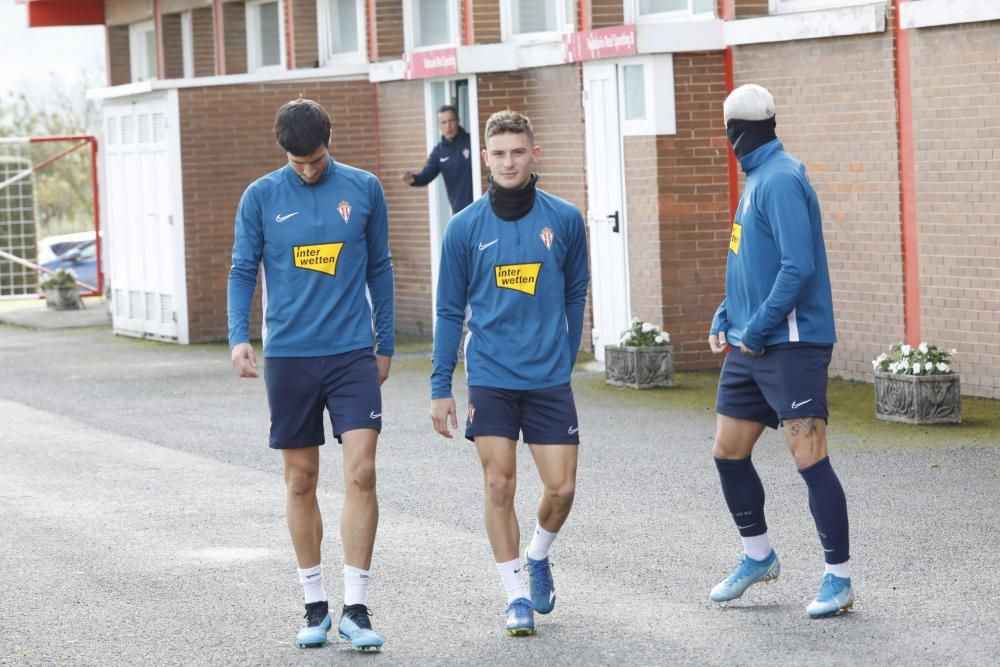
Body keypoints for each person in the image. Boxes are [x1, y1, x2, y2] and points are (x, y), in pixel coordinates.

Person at [227, 98, 394, 651]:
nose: (308, 170)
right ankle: (315, 605)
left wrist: (385, 341)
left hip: (351, 353)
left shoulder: (364, 188)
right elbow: (243, 269)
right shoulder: (260, 197)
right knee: (300, 480)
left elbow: (379, 267)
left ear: (330, 142)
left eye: (316, 160)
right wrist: (237, 337)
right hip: (291, 357)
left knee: (363, 473)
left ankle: (358, 607)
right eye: (297, 163)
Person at [430, 110, 590, 636]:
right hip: (491, 376)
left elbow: (574, 293)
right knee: (499, 483)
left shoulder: (564, 219)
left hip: (547, 379)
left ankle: (539, 554)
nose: (508, 162)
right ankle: (516, 595)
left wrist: (563, 357)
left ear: (533, 154)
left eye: (517, 152)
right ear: (485, 160)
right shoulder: (464, 228)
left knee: (561, 489)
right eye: (498, 154)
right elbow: (450, 311)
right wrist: (440, 387)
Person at [707, 84, 852, 618]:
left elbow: (798, 268)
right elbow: (751, 263)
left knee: (809, 456)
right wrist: (727, 312)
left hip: (791, 343)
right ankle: (758, 555)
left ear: (733, 133)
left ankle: (838, 578)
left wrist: (759, 326)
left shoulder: (783, 178)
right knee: (728, 451)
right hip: (752, 343)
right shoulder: (755, 180)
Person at [402, 104, 474, 213]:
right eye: (443, 122)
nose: (448, 126)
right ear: (438, 125)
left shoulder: (472, 141)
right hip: (460, 211)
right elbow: (426, 175)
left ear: (458, 121)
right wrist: (414, 179)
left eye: (451, 121)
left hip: (481, 204)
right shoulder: (439, 152)